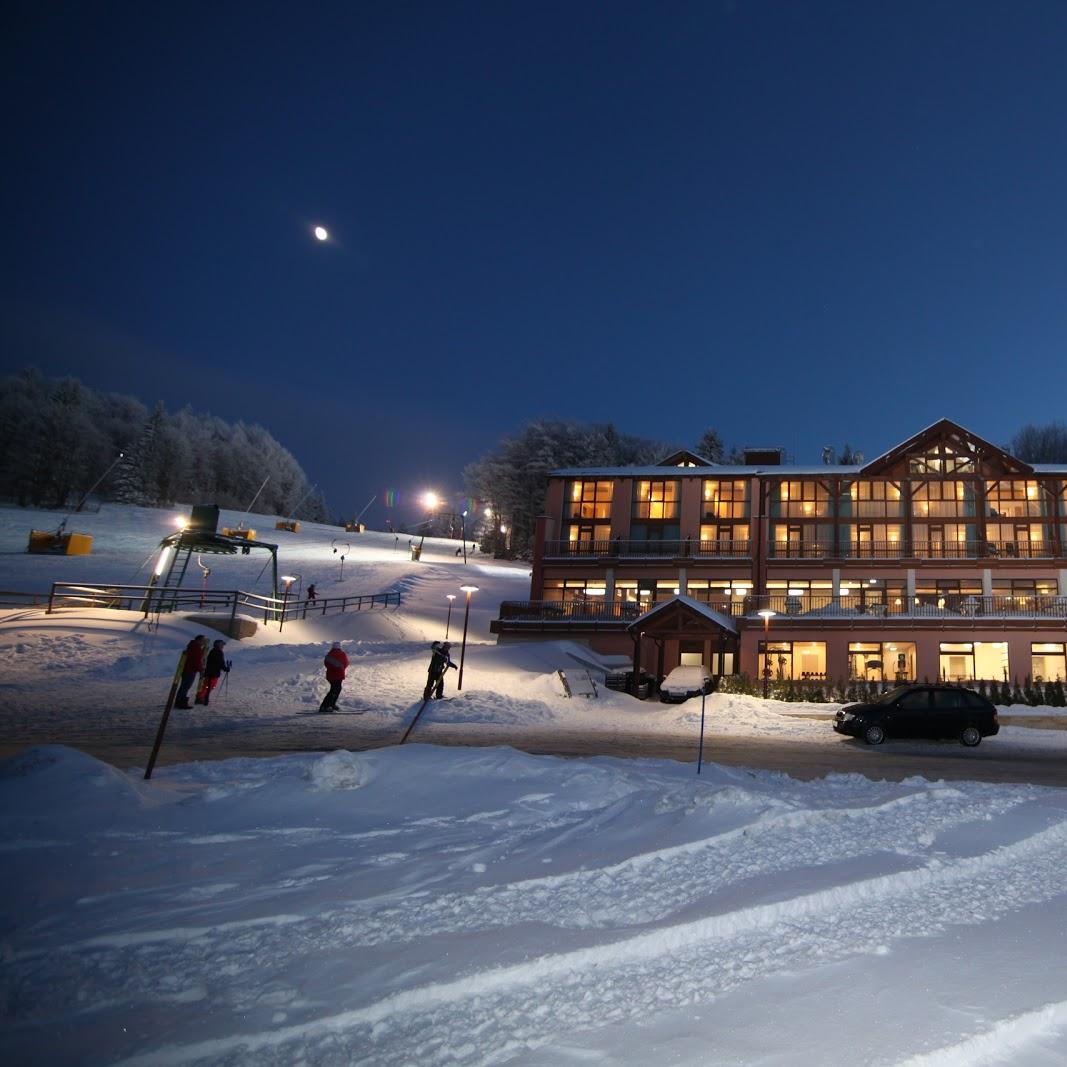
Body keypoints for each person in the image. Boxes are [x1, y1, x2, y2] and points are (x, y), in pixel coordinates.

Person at [176, 634, 208, 709]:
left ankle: (179, 701)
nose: (204, 642)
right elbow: (196, 661)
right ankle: (181, 702)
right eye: (203, 640)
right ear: (199, 640)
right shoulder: (195, 648)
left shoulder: (194, 646)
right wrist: (201, 670)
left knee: (184, 686)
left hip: (188, 669)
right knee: (186, 686)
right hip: (190, 670)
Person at [195, 639, 231, 705]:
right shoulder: (217, 652)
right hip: (211, 672)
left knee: (211, 686)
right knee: (207, 686)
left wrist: (225, 668)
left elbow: (220, 663)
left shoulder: (216, 651)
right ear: (218, 645)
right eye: (222, 644)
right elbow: (219, 663)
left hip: (213, 672)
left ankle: (203, 697)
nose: (223, 646)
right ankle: (200, 698)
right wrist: (225, 668)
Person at [320, 641, 349, 712]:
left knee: (334, 690)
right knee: (335, 690)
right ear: (340, 647)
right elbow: (346, 663)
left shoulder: (329, 655)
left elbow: (326, 664)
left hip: (330, 675)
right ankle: (325, 706)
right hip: (338, 675)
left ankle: (330, 705)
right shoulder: (342, 654)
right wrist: (340, 668)